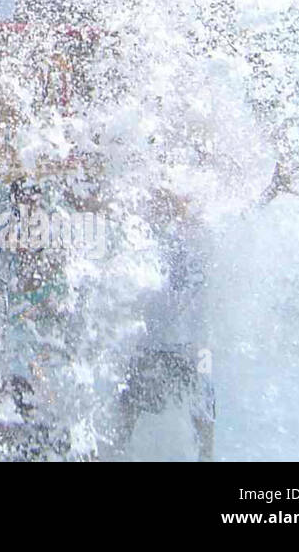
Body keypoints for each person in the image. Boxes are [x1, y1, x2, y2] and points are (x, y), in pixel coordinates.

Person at [113, 189, 214, 461]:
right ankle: (114, 454)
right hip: (150, 344)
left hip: (196, 348)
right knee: (127, 405)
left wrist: (271, 190)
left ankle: (207, 457)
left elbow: (243, 218)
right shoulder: (145, 236)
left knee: (204, 405)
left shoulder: (207, 235)